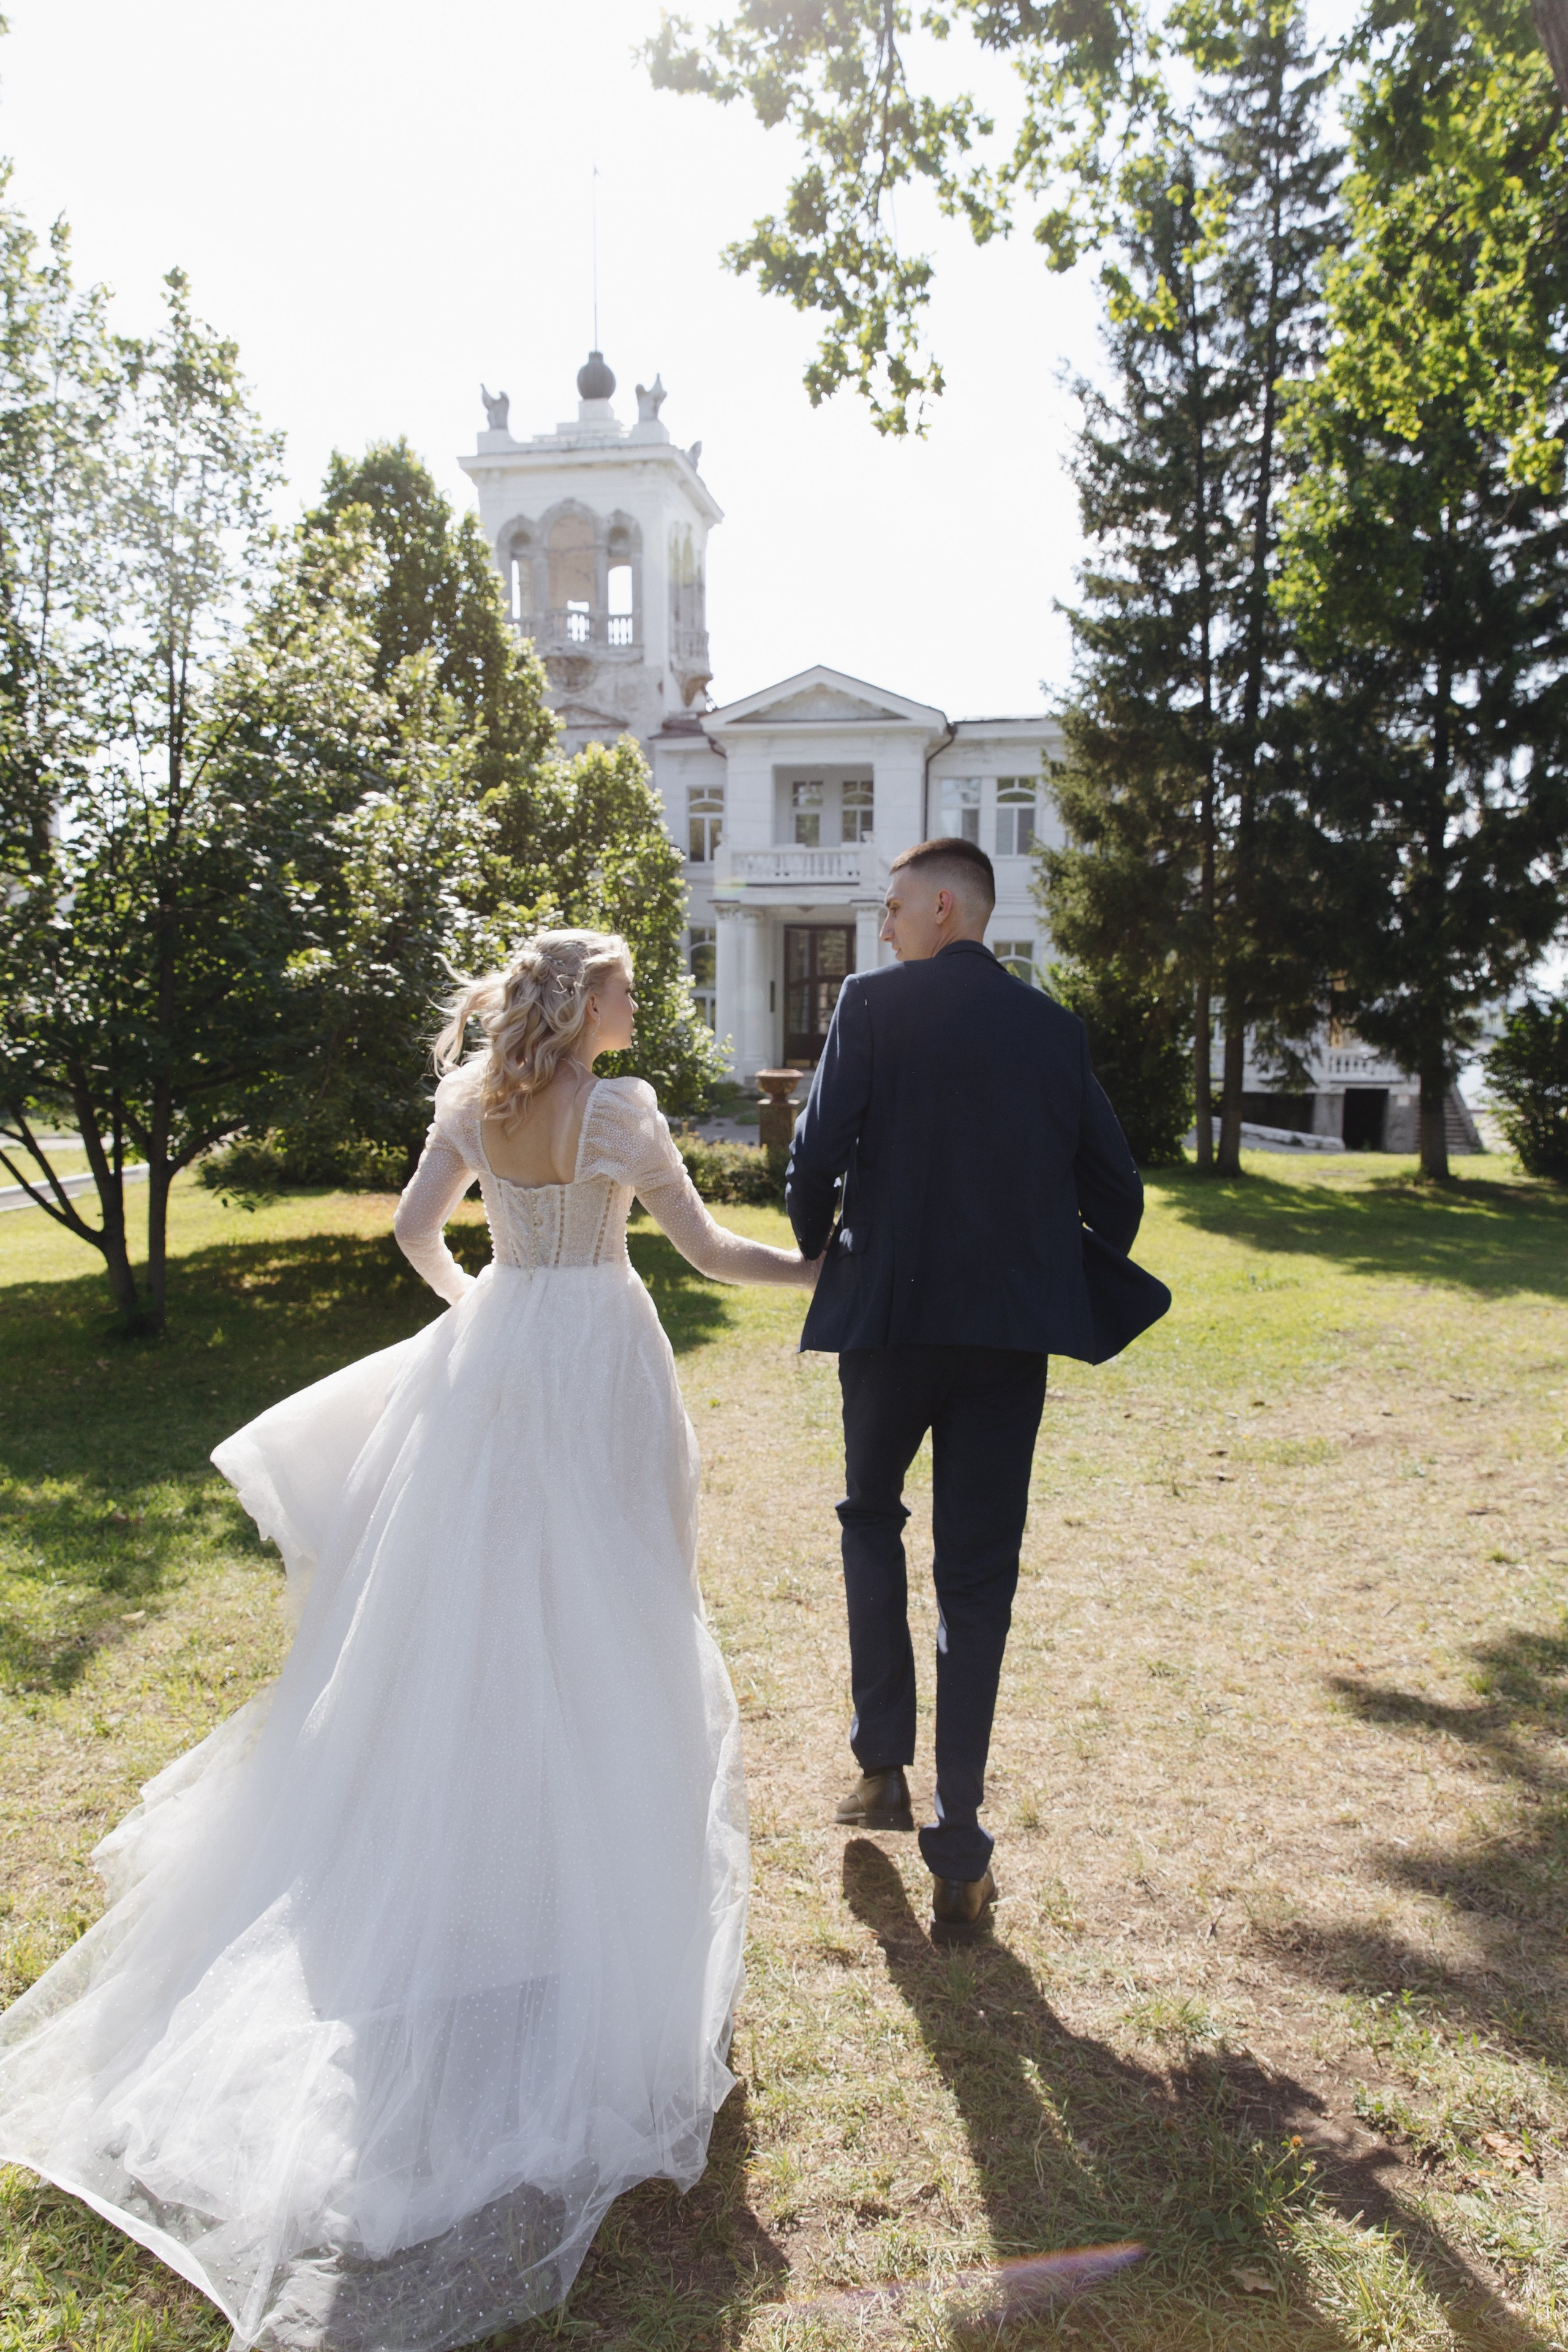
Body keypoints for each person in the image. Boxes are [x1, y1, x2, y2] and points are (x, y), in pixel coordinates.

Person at [0, 931, 816, 2352]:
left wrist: (481, 1316)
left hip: (498, 1359)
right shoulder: (620, 1114)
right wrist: (835, 1277)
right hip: (598, 1361)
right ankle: (570, 1877)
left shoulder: (468, 1099)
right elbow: (707, 1252)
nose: (641, 1005)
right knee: (613, 1604)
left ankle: (479, 1849)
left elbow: (411, 1233)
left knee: (473, 1610)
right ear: (588, 1003)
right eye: (628, 987)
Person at [785, 839, 1169, 1945]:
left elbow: (816, 1166)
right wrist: (1041, 1262)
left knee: (870, 1522)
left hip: (891, 1328)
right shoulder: (1053, 1031)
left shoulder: (870, 1006)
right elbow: (1118, 1192)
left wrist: (824, 1242)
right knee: (977, 1581)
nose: (886, 926)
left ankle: (881, 1772)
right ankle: (959, 1848)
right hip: (1008, 1340)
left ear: (944, 905)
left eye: (896, 907)